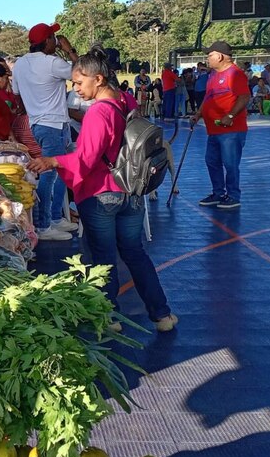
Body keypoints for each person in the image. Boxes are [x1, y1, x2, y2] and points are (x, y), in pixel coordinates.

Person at [28, 46, 177, 333]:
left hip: (101, 194)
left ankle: (107, 317)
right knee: (135, 253)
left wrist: (51, 161)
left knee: (102, 257)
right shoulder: (126, 100)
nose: (76, 89)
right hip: (130, 190)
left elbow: (85, 159)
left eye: (79, 83)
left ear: (98, 80)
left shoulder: (98, 113)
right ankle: (162, 315)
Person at [12, 22, 81, 242]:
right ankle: (43, 225)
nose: (57, 40)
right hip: (55, 125)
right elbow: (83, 73)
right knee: (51, 173)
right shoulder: (53, 62)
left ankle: (55, 217)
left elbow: (16, 93)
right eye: (54, 37)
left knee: (63, 170)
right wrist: (69, 49)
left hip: (41, 124)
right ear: (48, 41)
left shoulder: (21, 64)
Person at [191, 40, 251, 210]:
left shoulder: (235, 74)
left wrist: (230, 115)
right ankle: (218, 192)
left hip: (231, 130)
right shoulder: (213, 76)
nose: (207, 59)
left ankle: (233, 195)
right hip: (214, 130)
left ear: (220, 56)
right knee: (212, 161)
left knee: (230, 163)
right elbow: (208, 98)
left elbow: (244, 97)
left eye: (210, 55)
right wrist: (198, 114)